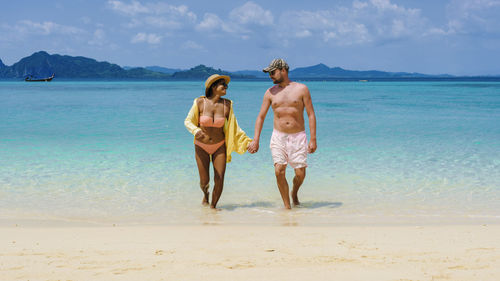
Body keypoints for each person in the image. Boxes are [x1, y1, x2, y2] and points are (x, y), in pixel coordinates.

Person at [247, 59, 317, 209]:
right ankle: (287, 207)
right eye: (269, 73)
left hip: (298, 136)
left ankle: (294, 193)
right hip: (278, 136)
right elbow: (261, 117)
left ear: (283, 70)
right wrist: (256, 140)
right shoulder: (270, 93)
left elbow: (311, 114)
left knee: (300, 174)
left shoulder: (302, 89)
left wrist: (313, 139)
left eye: (273, 72)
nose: (270, 76)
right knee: (279, 170)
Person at [185, 74, 252, 209]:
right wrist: (196, 131)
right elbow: (188, 121)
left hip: (219, 146)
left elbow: (234, 127)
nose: (226, 87)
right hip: (201, 146)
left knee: (220, 178)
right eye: (223, 85)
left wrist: (247, 142)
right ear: (214, 87)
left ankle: (213, 207)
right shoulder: (199, 102)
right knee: (204, 181)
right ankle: (205, 194)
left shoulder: (227, 105)